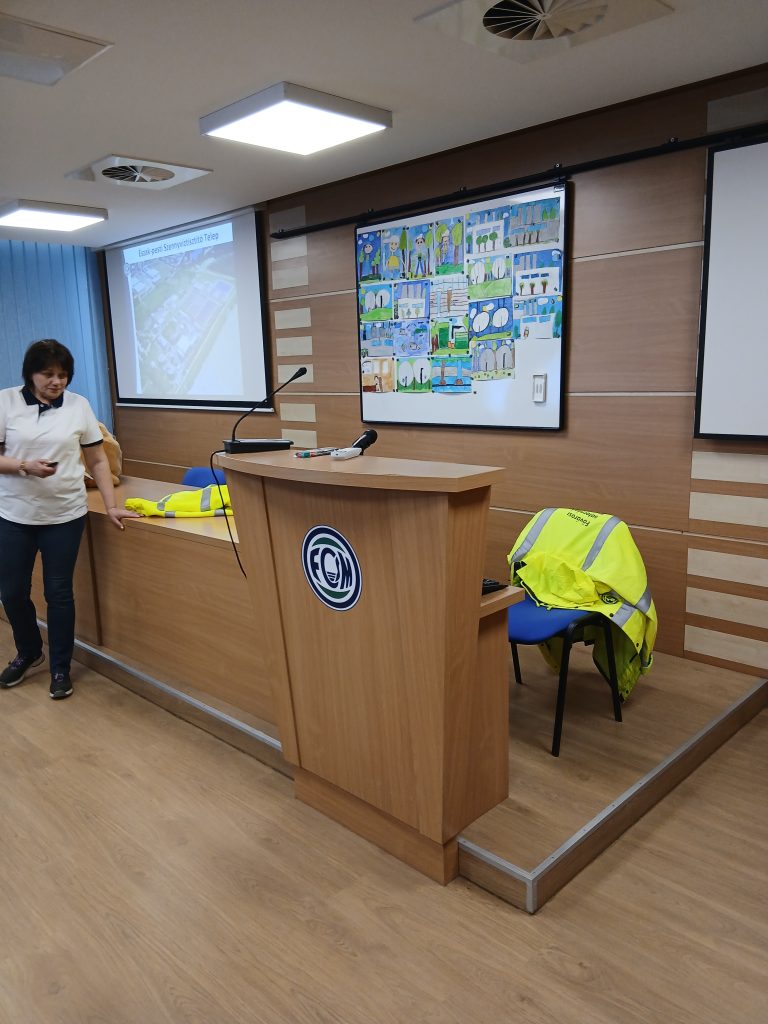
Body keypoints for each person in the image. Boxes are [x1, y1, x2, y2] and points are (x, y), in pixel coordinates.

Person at [0, 339, 139, 699]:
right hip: (15, 515)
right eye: (48, 374)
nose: (56, 381)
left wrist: (110, 505)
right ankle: (29, 651)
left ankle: (60, 667)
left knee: (59, 592)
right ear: (30, 374)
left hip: (64, 515)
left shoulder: (79, 406)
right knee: (11, 592)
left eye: (63, 375)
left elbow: (97, 460)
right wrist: (24, 466)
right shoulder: (6, 401)